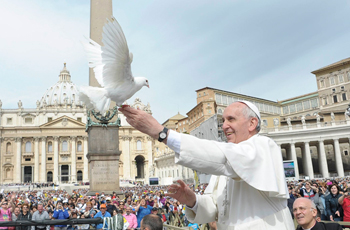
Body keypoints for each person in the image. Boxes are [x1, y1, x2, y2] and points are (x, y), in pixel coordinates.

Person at [119, 101, 294, 229]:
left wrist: (163, 134)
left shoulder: (264, 146)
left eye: (231, 119)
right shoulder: (226, 164)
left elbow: (222, 157)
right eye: (223, 121)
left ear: (252, 123)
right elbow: (214, 208)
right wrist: (192, 200)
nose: (224, 126)